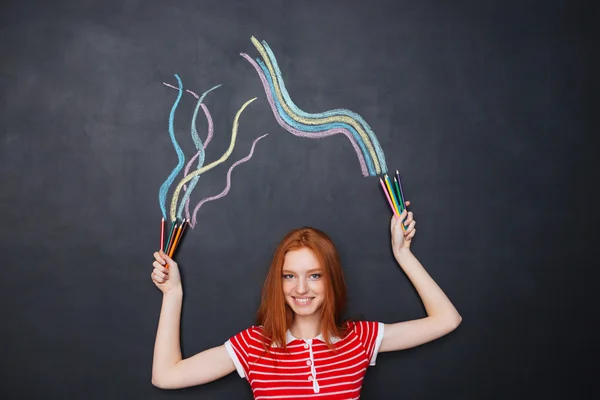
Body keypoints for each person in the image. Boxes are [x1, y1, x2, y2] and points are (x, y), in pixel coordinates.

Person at [150, 203, 461, 398]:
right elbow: (166, 376)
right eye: (289, 276)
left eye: (314, 275)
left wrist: (403, 255)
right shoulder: (254, 346)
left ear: (331, 280)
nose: (301, 288)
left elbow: (447, 320)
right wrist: (172, 293)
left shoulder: (359, 339)